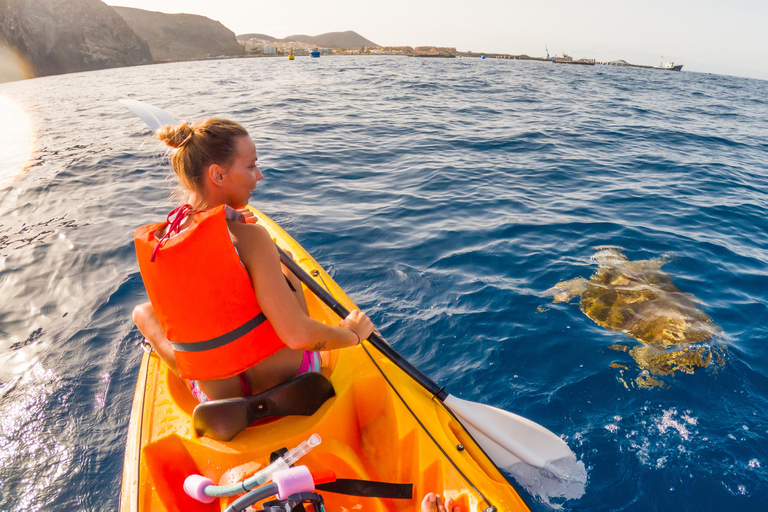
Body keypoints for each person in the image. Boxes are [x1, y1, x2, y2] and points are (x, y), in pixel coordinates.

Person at [132, 118, 374, 403]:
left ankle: (191, 379)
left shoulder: (164, 239)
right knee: (285, 264)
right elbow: (296, 336)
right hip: (292, 381)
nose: (258, 175)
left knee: (143, 312)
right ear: (218, 176)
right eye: (250, 166)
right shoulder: (251, 238)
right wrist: (351, 335)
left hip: (217, 401)